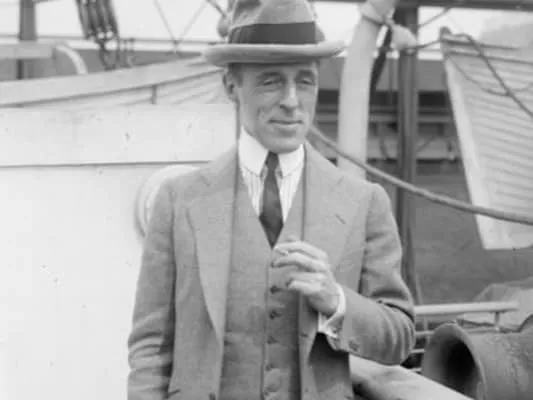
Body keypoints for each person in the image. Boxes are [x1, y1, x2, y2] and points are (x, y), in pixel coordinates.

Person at [127, 1, 415, 399]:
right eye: (271, 81)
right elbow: (150, 348)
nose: (292, 101)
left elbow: (400, 336)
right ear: (231, 85)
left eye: (305, 81)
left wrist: (337, 302)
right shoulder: (178, 201)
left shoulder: (365, 202)